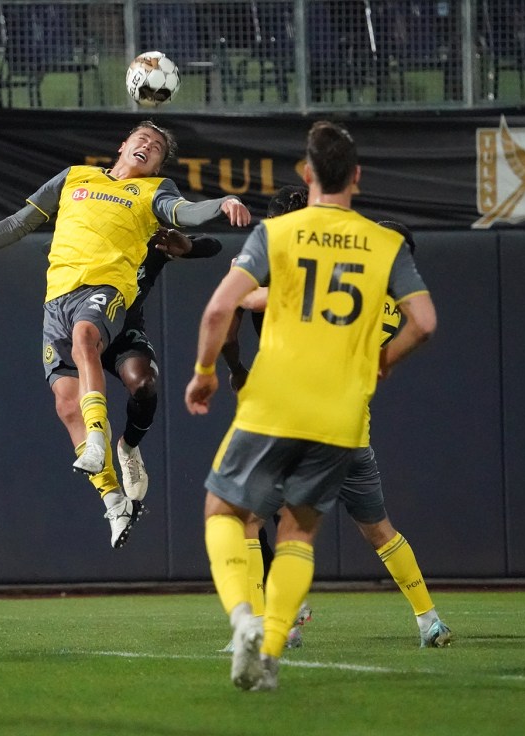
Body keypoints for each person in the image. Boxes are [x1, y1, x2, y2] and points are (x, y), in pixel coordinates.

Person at [185, 120, 437, 691]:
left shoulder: (279, 235)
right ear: (357, 176)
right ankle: (270, 651)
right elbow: (424, 323)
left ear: (306, 173)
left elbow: (219, 309)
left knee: (222, 512)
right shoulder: (386, 244)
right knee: (299, 533)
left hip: (273, 401)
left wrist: (205, 374)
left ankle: (244, 622)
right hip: (341, 416)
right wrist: (385, 360)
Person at [0, 120, 251, 549]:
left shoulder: (154, 193)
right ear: (122, 145)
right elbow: (19, 222)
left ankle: (110, 442)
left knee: (104, 354)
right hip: (57, 299)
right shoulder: (74, 177)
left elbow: (187, 214)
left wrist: (221, 203)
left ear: (159, 164)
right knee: (66, 405)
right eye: (141, 139)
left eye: (157, 147)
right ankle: (113, 499)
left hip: (108, 296)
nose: (147, 146)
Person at [222, 189, 452, 650]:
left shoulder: (351, 289)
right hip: (351, 433)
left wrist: (241, 281)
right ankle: (429, 620)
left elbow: (268, 299)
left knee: (247, 522)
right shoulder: (396, 308)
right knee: (379, 530)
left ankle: (270, 627)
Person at [99, 227, 223, 503]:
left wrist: (188, 247)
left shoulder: (151, 244)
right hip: (81, 331)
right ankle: (96, 448)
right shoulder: (91, 237)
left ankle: (128, 448)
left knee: (145, 385)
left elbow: (214, 245)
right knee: (80, 398)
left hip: (122, 335)